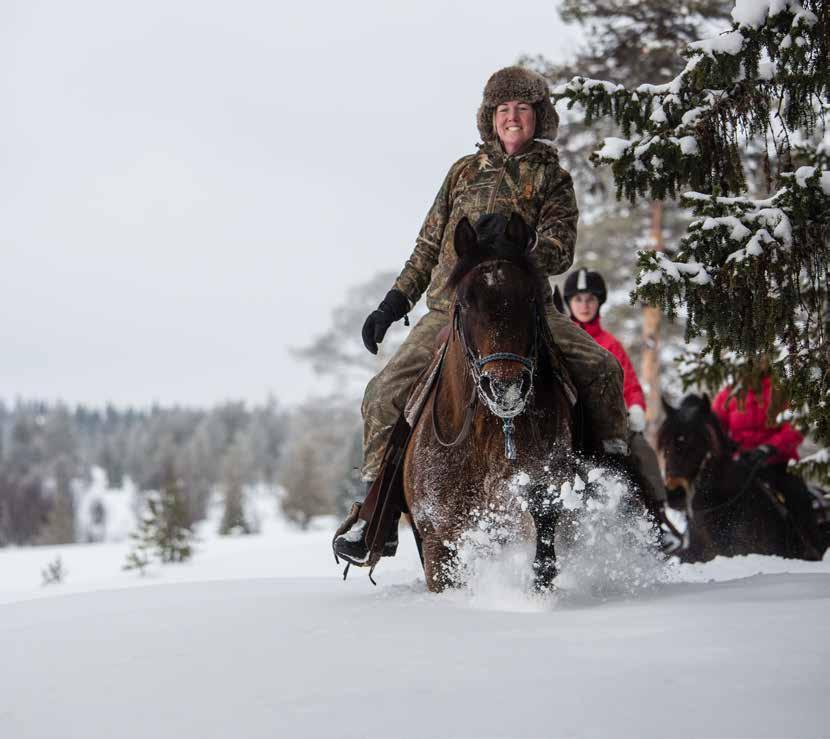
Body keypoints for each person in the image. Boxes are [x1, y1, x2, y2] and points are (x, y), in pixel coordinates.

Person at [334, 66, 633, 566]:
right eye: (502, 109)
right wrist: (393, 303)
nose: (512, 117)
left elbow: (562, 249)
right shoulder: (462, 173)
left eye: (521, 108)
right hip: (452, 310)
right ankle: (376, 514)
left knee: (602, 368)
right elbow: (428, 245)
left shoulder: (553, 177)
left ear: (538, 116)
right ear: (489, 118)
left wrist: (523, 250)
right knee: (382, 394)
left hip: (523, 309)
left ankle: (613, 480)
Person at [563, 268, 667, 507]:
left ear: (598, 303)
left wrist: (637, 408)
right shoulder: (560, 340)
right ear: (569, 303)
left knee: (643, 451)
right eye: (578, 299)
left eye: (590, 299)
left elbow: (630, 384)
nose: (584, 305)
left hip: (609, 421)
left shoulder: (611, 344)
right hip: (569, 420)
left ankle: (658, 514)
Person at [712, 375, 821, 547]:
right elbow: (716, 426)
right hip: (741, 464)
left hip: (779, 463)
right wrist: (727, 444)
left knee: (797, 496)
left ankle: (810, 547)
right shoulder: (729, 392)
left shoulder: (780, 389)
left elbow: (795, 426)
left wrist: (770, 447)